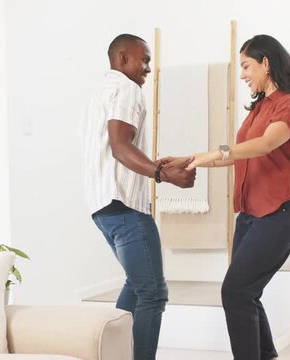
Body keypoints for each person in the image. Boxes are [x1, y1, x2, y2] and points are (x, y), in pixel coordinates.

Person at [186, 34, 290, 360]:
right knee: (246, 293)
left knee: (235, 292)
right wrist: (194, 159)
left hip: (279, 213)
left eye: (246, 66)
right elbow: (242, 154)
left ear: (266, 63)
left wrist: (213, 154)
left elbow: (265, 144)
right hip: (249, 214)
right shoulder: (259, 106)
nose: (242, 74)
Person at [80, 33, 196, 360]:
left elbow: (112, 149)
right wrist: (161, 174)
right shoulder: (127, 89)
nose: (148, 68)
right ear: (121, 58)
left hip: (102, 208)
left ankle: (108, 353)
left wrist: (155, 165)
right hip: (124, 207)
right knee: (153, 293)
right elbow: (120, 147)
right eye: (143, 60)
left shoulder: (97, 94)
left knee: (136, 283)